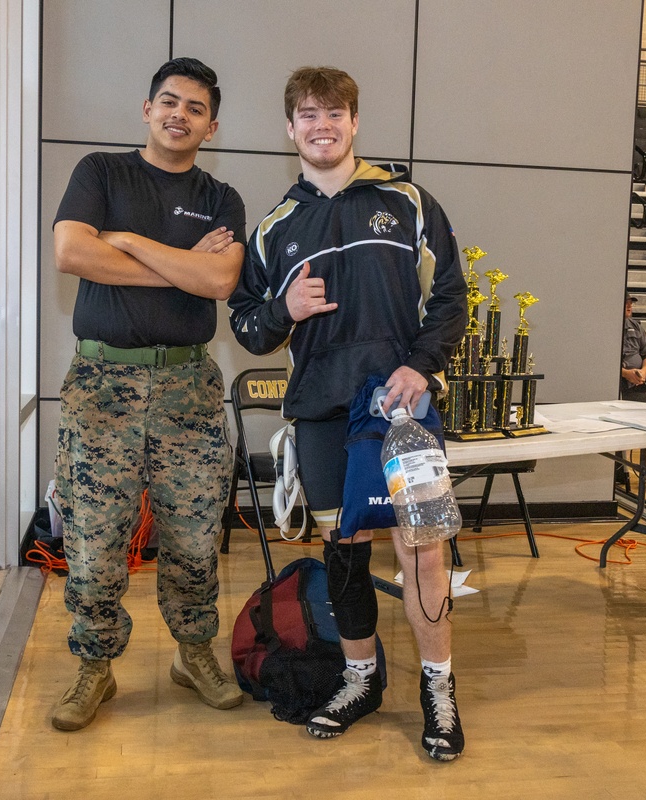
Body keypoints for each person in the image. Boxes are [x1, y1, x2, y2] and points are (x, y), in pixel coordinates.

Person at [227, 66, 469, 761]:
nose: (322, 125)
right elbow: (248, 327)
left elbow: (451, 295)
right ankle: (359, 679)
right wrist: (283, 309)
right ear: (291, 128)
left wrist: (418, 365)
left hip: (404, 406)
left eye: (335, 113)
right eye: (308, 114)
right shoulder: (277, 228)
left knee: (422, 550)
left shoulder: (409, 200)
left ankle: (437, 690)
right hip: (325, 411)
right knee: (344, 557)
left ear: (355, 122)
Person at [50, 57, 247, 732]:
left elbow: (222, 283)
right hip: (101, 387)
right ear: (146, 108)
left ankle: (194, 655)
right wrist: (184, 265)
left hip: (188, 390)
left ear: (211, 125)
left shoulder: (221, 198)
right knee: (95, 542)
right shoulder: (100, 173)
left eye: (195, 108)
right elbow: (74, 255)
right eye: (169, 101)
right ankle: (95, 667)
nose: (179, 114)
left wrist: (130, 243)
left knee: (194, 540)